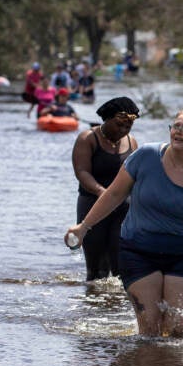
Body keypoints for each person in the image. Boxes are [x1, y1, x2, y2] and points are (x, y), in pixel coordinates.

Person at [65, 109, 183, 337]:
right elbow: (114, 194)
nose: (178, 132)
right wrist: (83, 227)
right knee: (151, 330)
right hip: (139, 251)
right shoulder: (146, 156)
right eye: (175, 126)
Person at [71, 97, 139, 281]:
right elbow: (82, 172)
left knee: (121, 268)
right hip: (92, 206)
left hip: (124, 210)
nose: (123, 131)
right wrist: (104, 193)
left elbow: (136, 177)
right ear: (107, 119)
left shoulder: (132, 142)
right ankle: (94, 307)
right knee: (97, 273)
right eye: (118, 125)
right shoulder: (88, 138)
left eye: (128, 127)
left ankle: (118, 307)